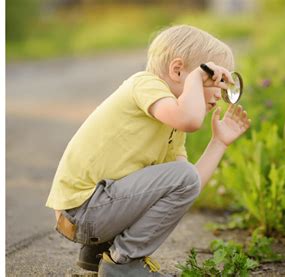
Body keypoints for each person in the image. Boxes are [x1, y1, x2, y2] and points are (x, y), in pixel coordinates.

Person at [45, 24, 250, 276]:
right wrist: (195, 80)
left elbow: (190, 184)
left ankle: (99, 252)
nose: (219, 94)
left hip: (93, 212)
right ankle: (123, 262)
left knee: (182, 177)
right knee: (181, 176)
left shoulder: (173, 124)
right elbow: (190, 121)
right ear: (177, 70)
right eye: (213, 80)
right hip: (81, 211)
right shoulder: (144, 84)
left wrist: (219, 142)